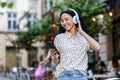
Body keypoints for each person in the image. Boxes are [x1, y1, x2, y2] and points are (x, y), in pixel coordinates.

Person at [50, 8, 100, 80]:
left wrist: (82, 32)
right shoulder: (59, 38)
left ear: (75, 19)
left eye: (66, 19)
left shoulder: (84, 38)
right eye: (62, 21)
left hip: (80, 76)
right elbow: (57, 62)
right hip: (63, 75)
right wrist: (55, 57)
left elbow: (97, 47)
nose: (64, 23)